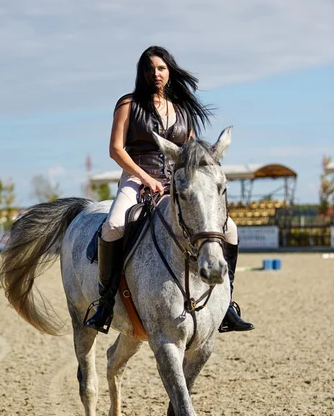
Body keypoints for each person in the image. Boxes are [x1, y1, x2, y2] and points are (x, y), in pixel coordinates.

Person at [84, 46, 254, 334]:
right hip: (137, 179)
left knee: (231, 230)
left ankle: (227, 305)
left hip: (174, 184)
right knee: (113, 225)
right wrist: (144, 177)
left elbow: (189, 152)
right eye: (150, 69)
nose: (156, 74)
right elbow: (115, 149)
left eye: (161, 68)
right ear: (143, 73)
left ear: (169, 71)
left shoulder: (182, 110)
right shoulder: (128, 104)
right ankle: (105, 302)